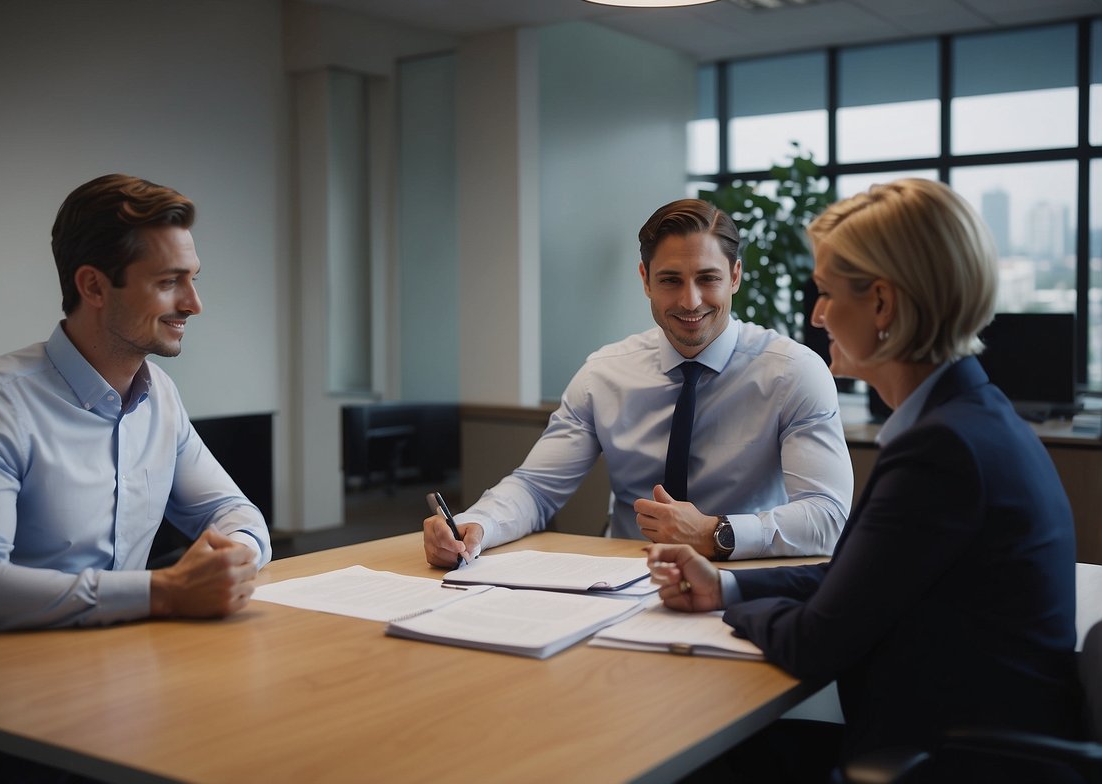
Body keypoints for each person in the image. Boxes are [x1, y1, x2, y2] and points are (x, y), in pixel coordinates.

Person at [647, 179, 1081, 782]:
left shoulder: (943, 448)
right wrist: (727, 587)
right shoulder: (967, 418)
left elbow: (815, 641)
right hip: (956, 741)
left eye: (825, 292)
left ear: (882, 304)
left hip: (944, 762)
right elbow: (862, 577)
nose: (816, 313)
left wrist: (729, 610)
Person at [0, 173, 272, 643]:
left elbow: (234, 511)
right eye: (170, 281)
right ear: (93, 286)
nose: (194, 304)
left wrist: (230, 560)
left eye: (192, 280)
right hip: (3, 684)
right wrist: (163, 590)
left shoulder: (160, 397)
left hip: (120, 669)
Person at [425, 198, 853, 567]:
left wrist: (714, 532)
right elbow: (536, 489)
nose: (690, 301)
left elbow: (827, 516)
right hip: (622, 580)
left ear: (735, 277)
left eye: (708, 278)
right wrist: (476, 524)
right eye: (670, 280)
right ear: (645, 279)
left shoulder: (793, 371)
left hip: (743, 579)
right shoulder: (604, 374)